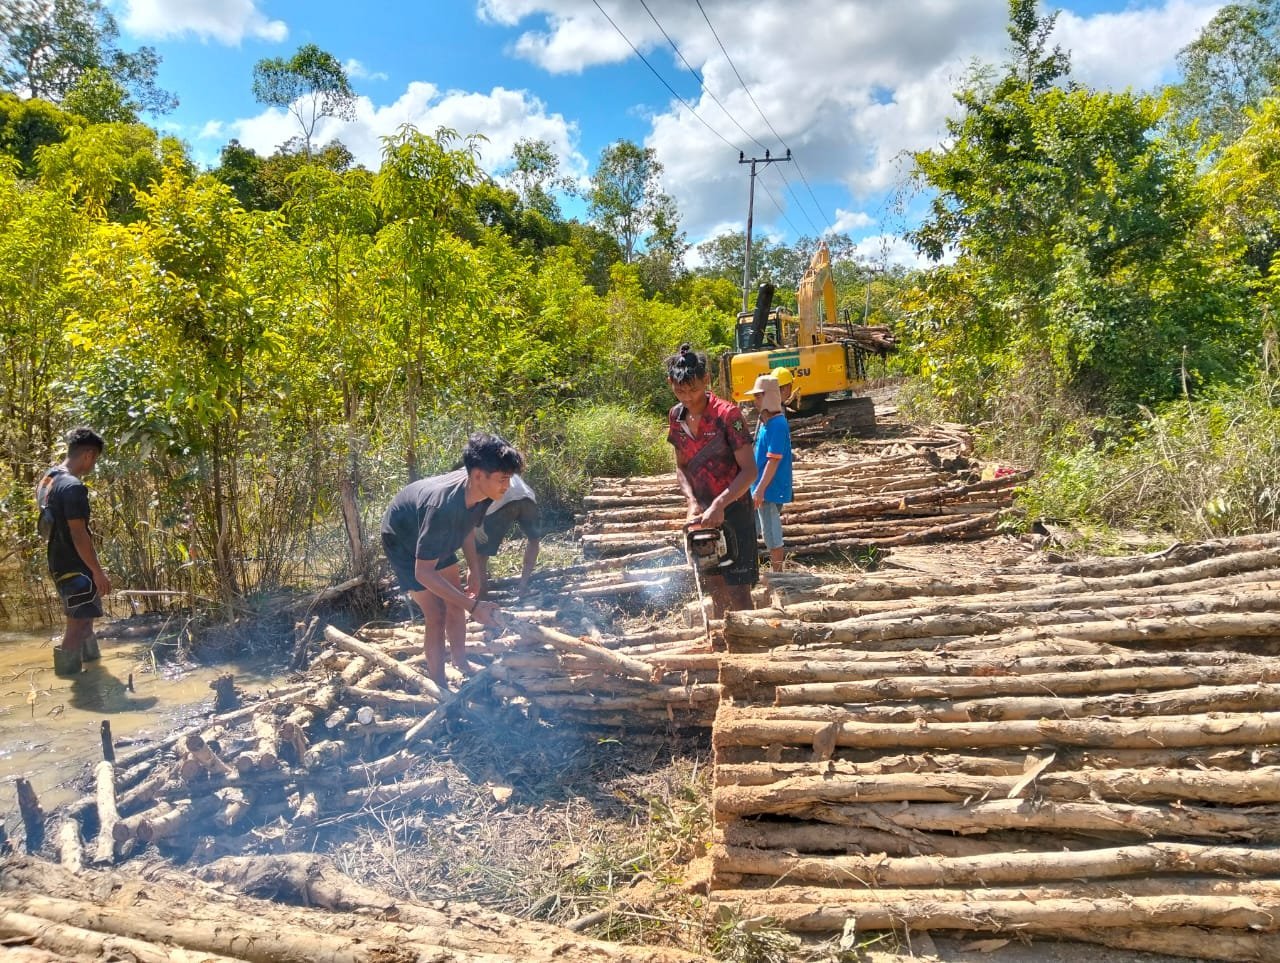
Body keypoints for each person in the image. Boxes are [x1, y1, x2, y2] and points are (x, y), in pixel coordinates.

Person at [381, 433, 521, 686]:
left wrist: (474, 570)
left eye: (508, 479)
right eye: (503, 479)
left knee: (456, 600)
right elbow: (424, 573)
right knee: (436, 613)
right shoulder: (443, 508)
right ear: (478, 474)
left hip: (431, 531)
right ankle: (439, 685)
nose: (507, 487)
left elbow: (466, 527)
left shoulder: (483, 491)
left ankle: (461, 662)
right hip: (402, 537)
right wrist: (474, 607)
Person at [666, 343, 758, 617]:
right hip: (701, 517)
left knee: (738, 590)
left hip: (734, 510)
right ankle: (720, 642)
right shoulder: (676, 417)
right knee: (713, 587)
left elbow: (750, 470)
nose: (688, 397)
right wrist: (692, 502)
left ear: (706, 380)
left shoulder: (728, 416)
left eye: (693, 389)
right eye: (680, 390)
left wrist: (719, 504)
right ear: (670, 383)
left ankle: (751, 645)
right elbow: (681, 467)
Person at [37, 426, 110, 677]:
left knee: (86, 617)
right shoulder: (73, 487)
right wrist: (97, 572)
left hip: (58, 560)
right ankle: (70, 680)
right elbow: (79, 535)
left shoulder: (49, 478)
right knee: (77, 625)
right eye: (95, 460)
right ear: (88, 454)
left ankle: (95, 672)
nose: (93, 465)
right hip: (74, 566)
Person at [746, 375, 794, 576]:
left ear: (768, 397)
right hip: (761, 488)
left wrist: (760, 489)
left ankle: (778, 576)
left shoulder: (777, 425)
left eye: (758, 396)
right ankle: (751, 571)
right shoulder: (767, 423)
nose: (754, 401)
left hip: (769, 490)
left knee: (772, 534)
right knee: (753, 530)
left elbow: (773, 461)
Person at [473, 473, 542, 599]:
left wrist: (478, 524)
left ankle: (482, 595)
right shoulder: (505, 466)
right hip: (527, 498)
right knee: (534, 540)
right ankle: (523, 586)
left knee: (480, 554)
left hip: (501, 502)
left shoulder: (475, 470)